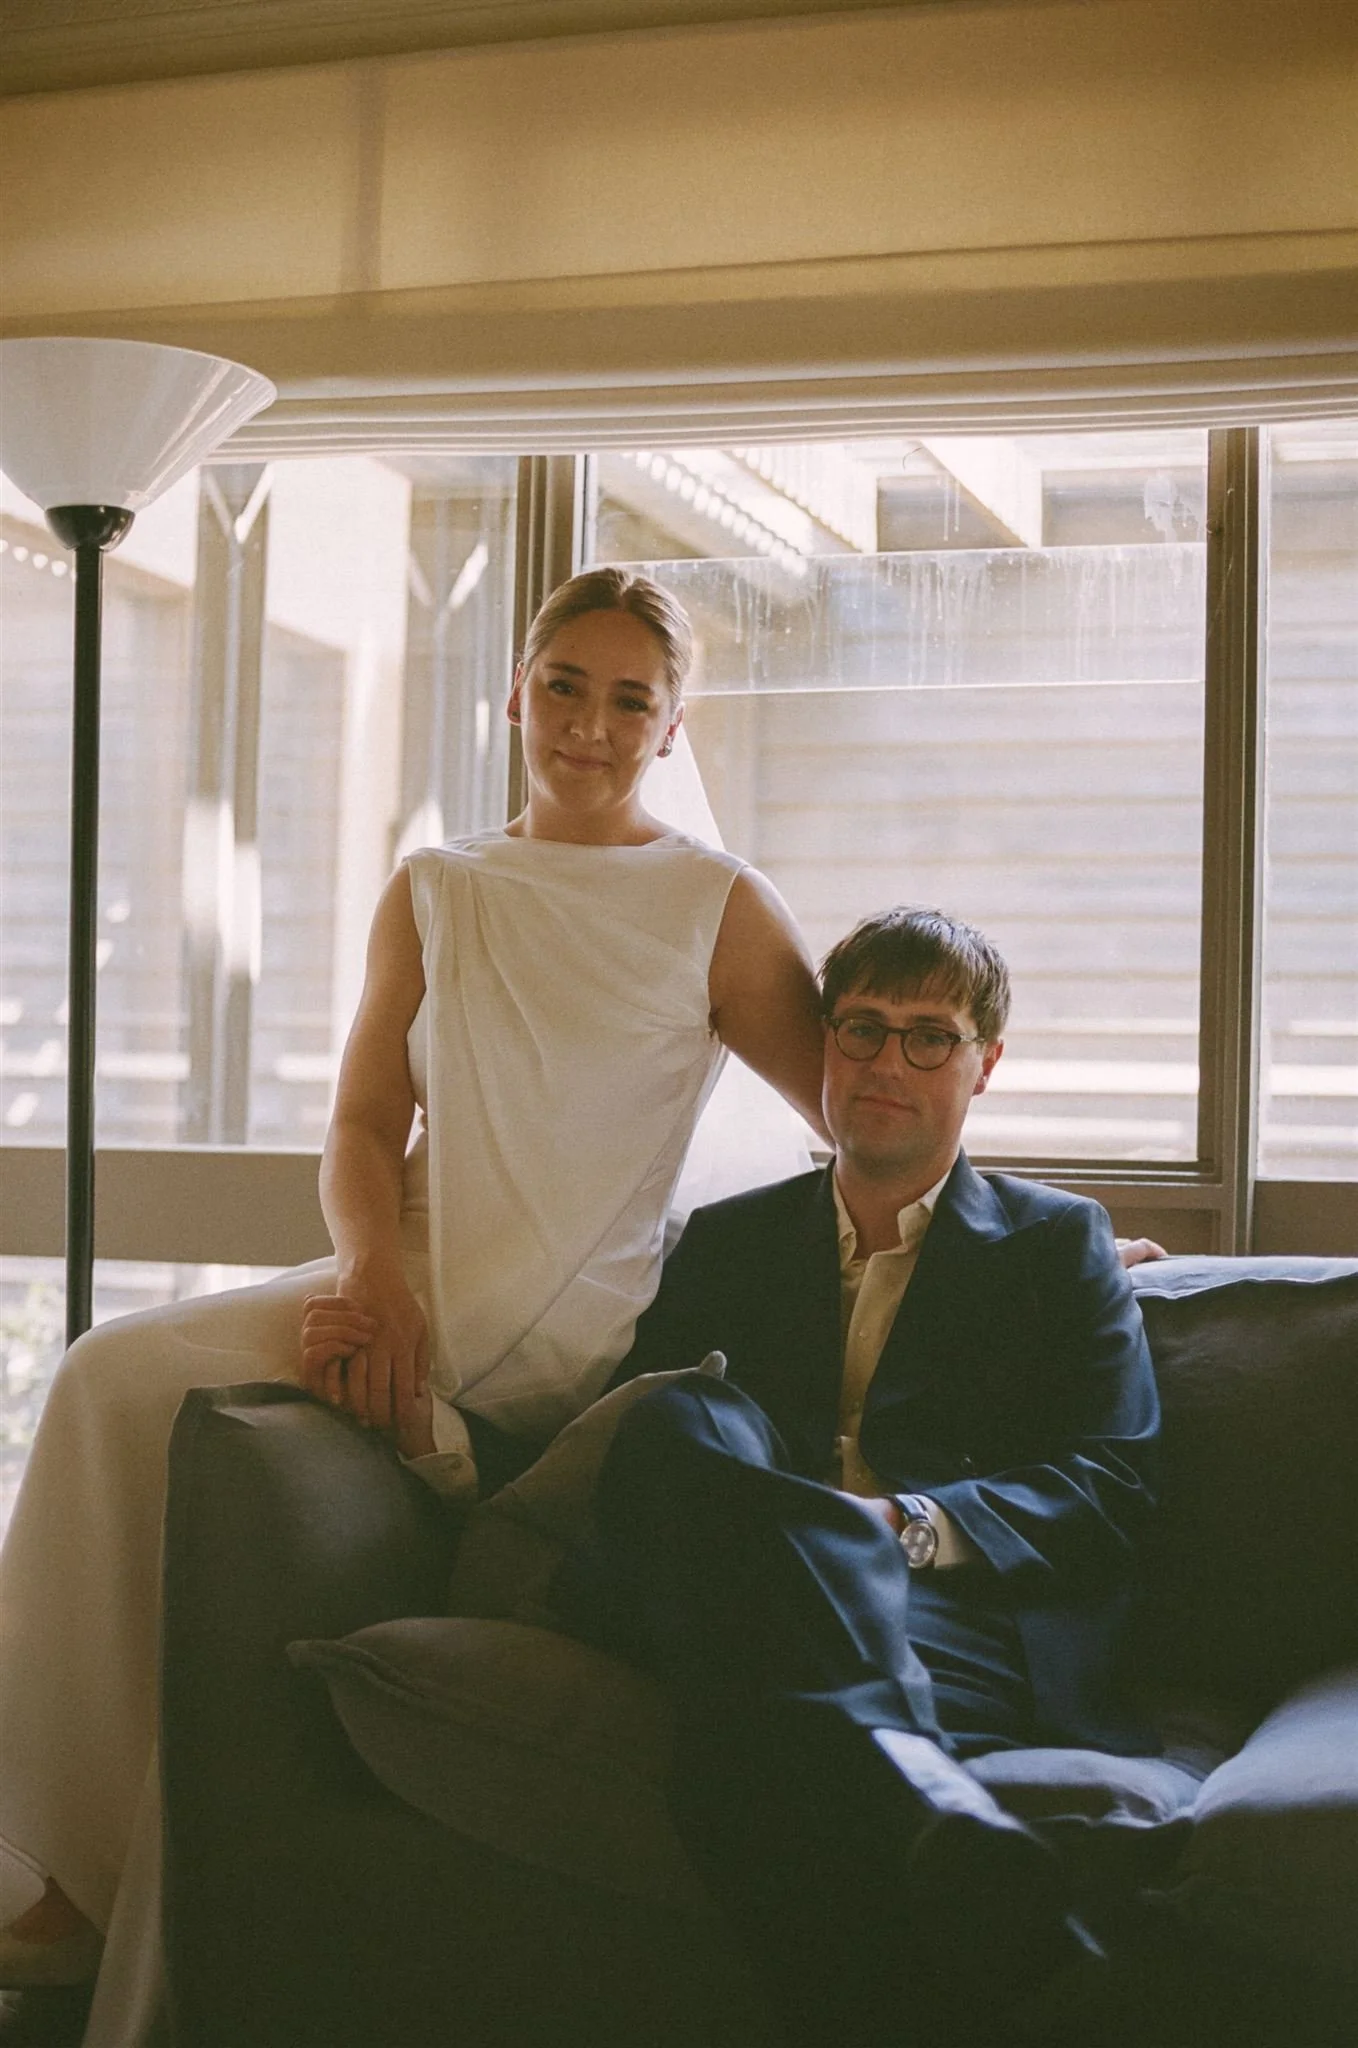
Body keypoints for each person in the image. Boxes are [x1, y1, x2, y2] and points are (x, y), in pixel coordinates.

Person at [0, 567, 828, 2043]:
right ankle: (63, 1876)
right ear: (514, 694)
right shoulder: (438, 884)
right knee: (108, 1384)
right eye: (561, 685)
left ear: (671, 721)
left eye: (628, 696)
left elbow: (863, 1103)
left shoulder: (713, 903)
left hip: (566, 1316)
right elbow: (365, 1127)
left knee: (120, 1391)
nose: (587, 722)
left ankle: (80, 1888)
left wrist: (1057, 1232)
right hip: (409, 1268)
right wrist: (370, 1278)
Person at [591, 905, 1163, 2045]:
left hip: (942, 1605)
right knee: (678, 1415)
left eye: (927, 1036)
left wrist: (898, 1524)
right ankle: (930, 1807)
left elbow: (1111, 1485)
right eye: (859, 1028)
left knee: (744, 1745)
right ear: (821, 1048)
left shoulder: (1056, 1245)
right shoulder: (725, 1240)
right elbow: (646, 1480)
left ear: (982, 1064)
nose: (885, 1061)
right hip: (748, 1578)